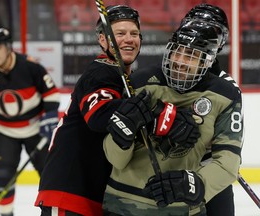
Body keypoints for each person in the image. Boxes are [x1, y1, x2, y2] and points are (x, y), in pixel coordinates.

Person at [102, 18, 243, 216]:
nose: (180, 62)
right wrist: (122, 134)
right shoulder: (140, 83)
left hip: (183, 210)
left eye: (191, 56)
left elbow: (228, 163)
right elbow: (115, 159)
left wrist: (196, 185)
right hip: (122, 206)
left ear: (207, 61)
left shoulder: (225, 95)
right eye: (178, 51)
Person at [34, 5, 146, 216]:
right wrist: (150, 108)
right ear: (103, 40)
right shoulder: (101, 72)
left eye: (134, 33)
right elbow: (99, 116)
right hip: (70, 191)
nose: (129, 39)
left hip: (88, 193)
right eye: (119, 34)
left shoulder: (121, 77)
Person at [0, 27, 60, 216]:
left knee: (50, 176)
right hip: (3, 132)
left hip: (36, 130)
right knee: (3, 177)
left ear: (8, 47)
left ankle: (50, 213)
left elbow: (51, 93)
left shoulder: (30, 66)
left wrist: (50, 117)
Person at [181, 4, 238, 216]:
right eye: (195, 27)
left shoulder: (228, 87)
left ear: (221, 41)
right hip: (172, 173)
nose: (203, 36)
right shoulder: (167, 76)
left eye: (213, 31)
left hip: (211, 175)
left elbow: (230, 140)